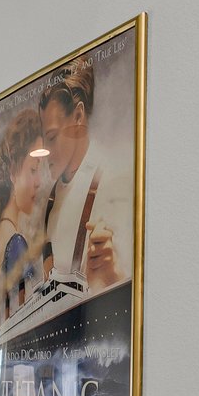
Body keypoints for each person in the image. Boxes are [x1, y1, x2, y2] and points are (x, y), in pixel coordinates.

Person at [37, 56, 124, 292]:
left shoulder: (113, 177)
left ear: (78, 116)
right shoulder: (51, 200)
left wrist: (112, 274)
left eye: (52, 137)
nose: (46, 152)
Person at [0, 106, 49, 323]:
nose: (39, 182)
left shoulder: (0, 236)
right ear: (13, 171)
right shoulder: (15, 243)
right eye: (33, 170)